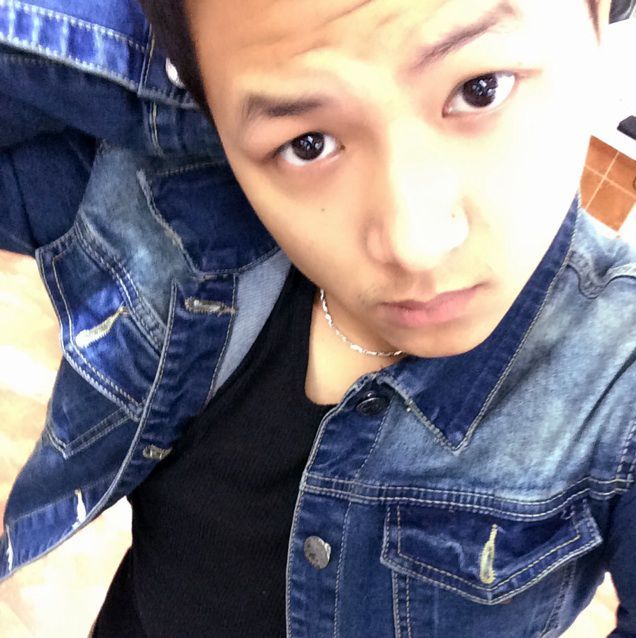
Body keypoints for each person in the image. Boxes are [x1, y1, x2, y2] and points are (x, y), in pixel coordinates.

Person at [0, 0, 635, 636]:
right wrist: (186, 73)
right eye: (309, 144)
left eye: (480, 89)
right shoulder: (174, 218)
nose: (414, 241)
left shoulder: (619, 370)